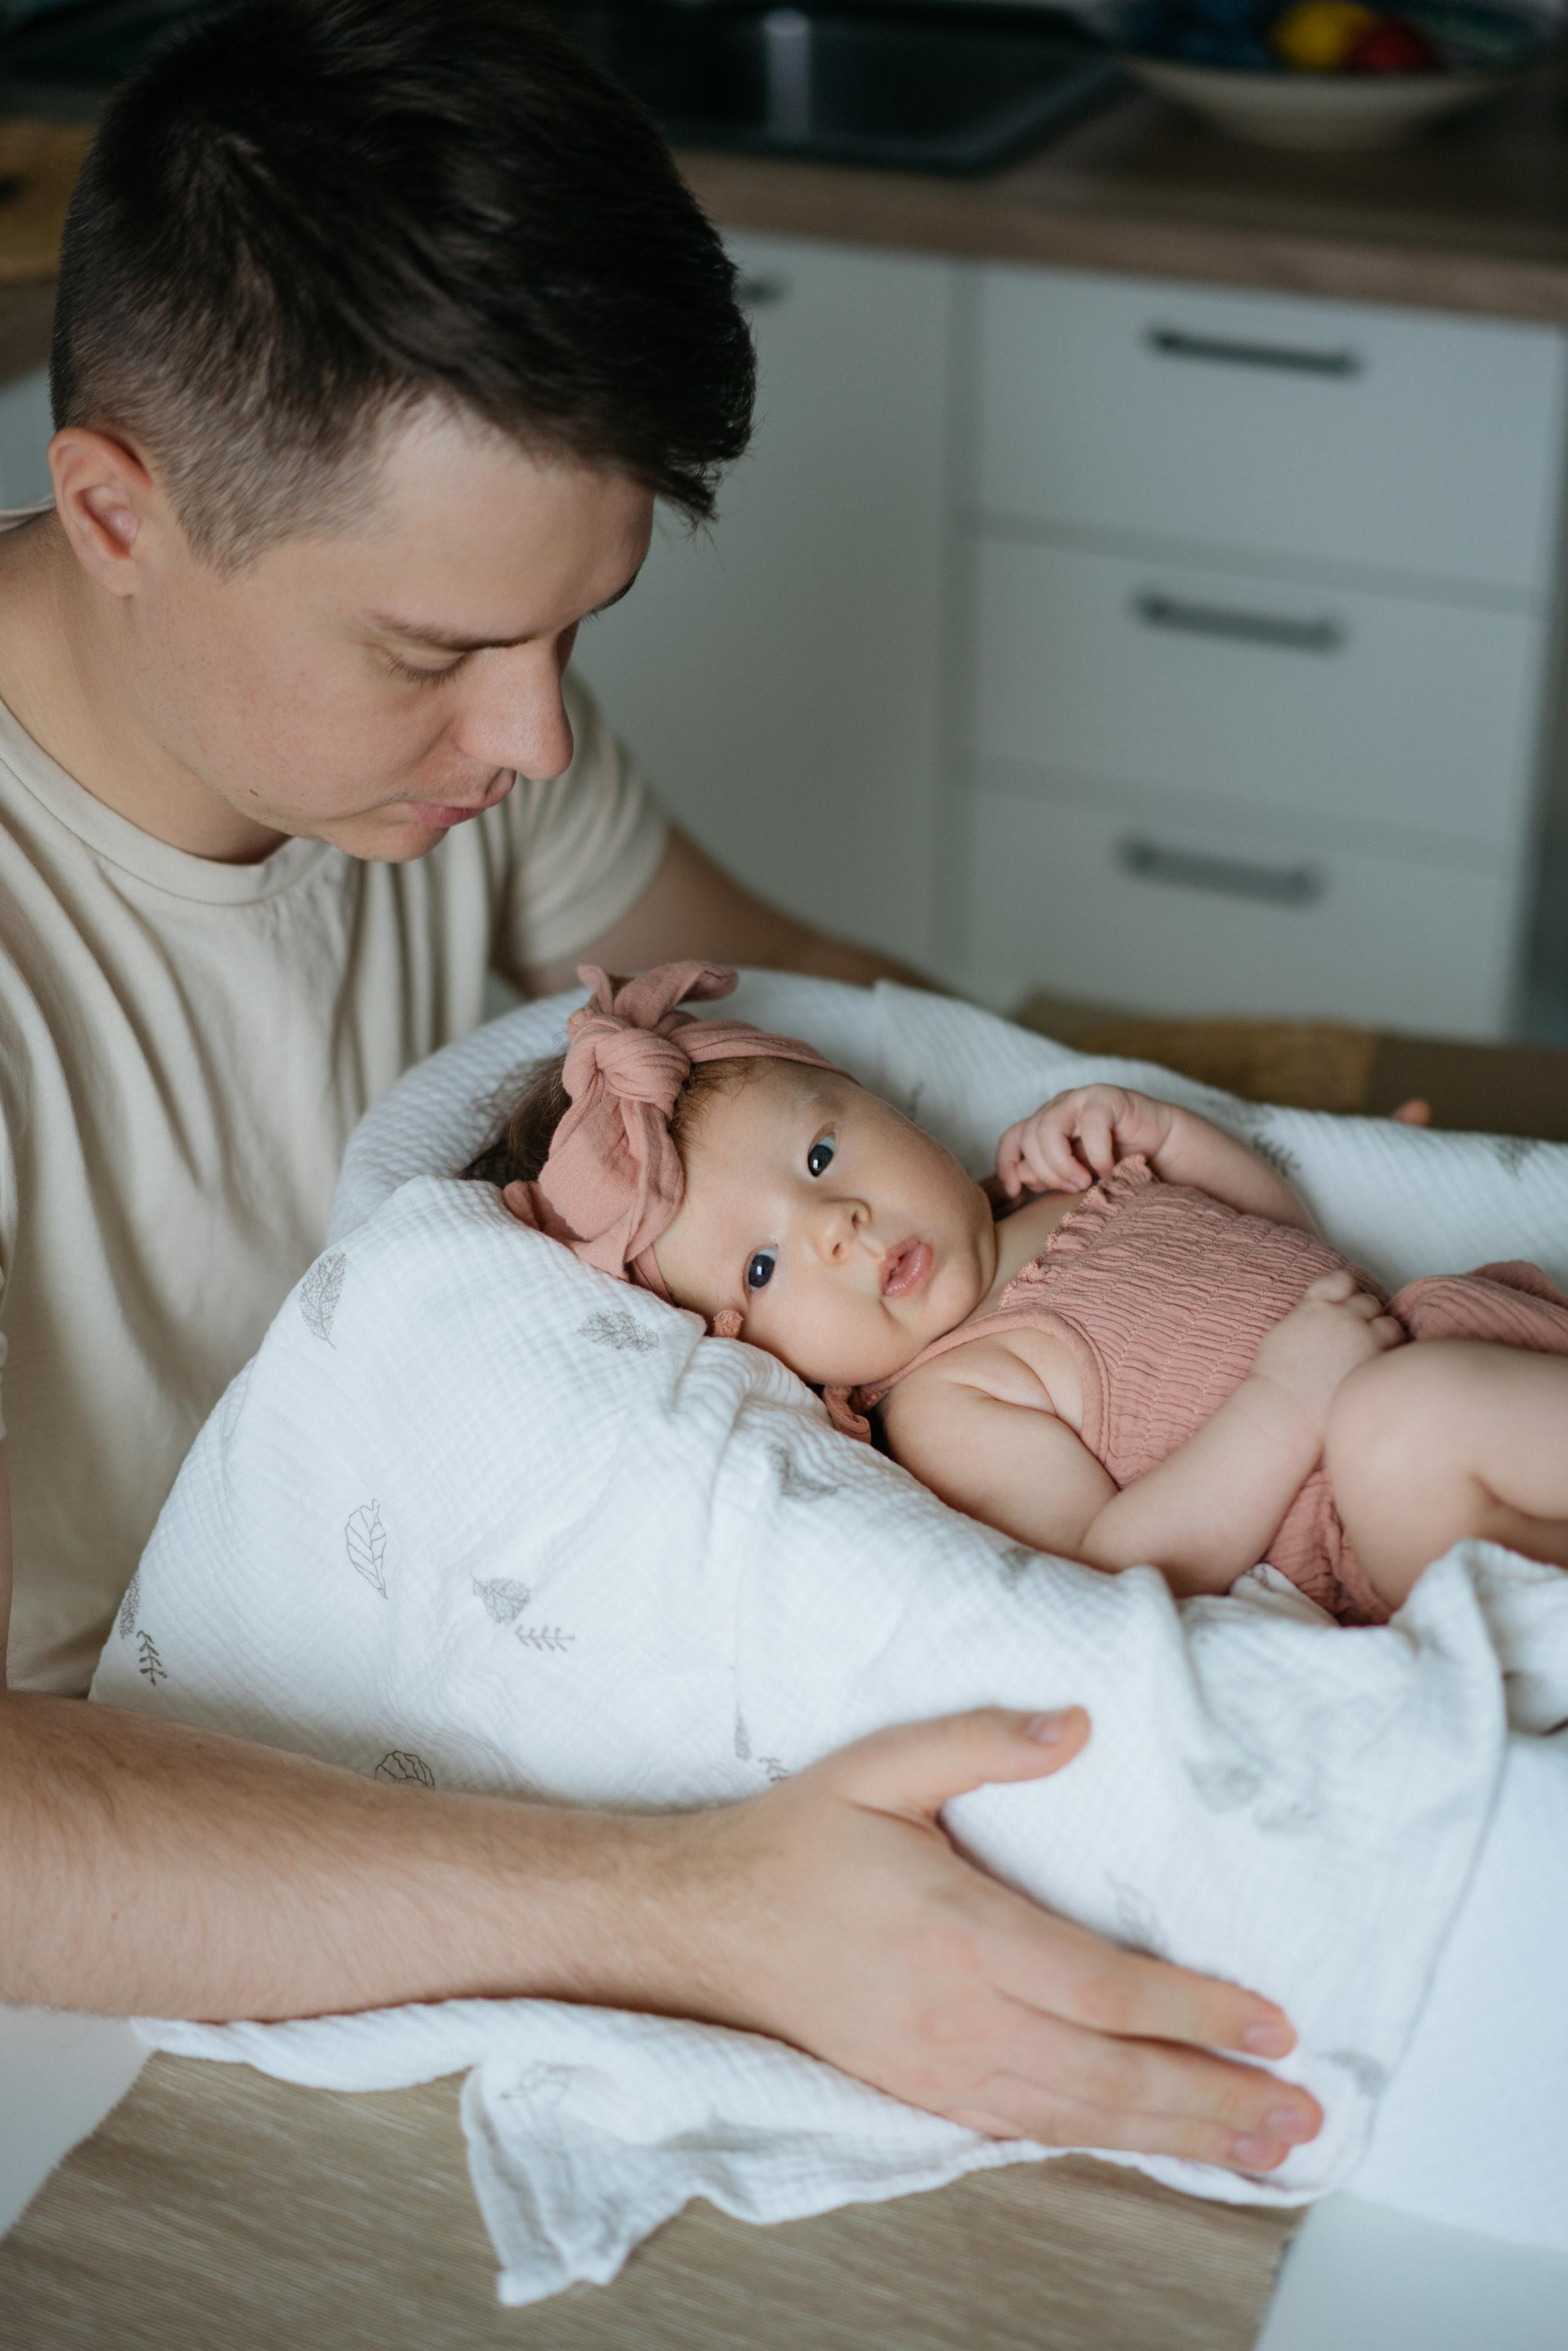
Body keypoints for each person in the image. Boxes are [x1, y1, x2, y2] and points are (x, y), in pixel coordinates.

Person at [0, 0, 1322, 2174]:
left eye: (577, 637)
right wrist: (696, 1919)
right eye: (433, 654)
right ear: (117, 509)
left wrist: (1214, 1192)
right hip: (152, 1943)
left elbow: (853, 1024)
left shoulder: (460, 750)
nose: (530, 745)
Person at [486, 964, 1568, 1625]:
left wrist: (1166, 1135)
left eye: (820, 1154)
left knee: (1421, 1400)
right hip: (1362, 1512)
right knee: (1399, 1421)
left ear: (883, 1108)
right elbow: (1117, 1562)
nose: (834, 1229)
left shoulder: (1056, 1192)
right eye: (761, 1269)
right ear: (756, 1351)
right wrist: (1289, 1404)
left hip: (1450, 1335)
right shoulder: (950, 1400)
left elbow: (1288, 1245)